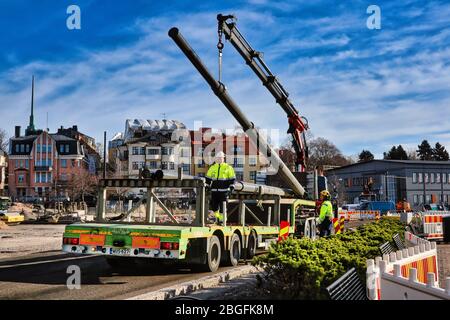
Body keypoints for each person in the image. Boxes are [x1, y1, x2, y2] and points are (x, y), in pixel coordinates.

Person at [205, 151, 236, 224]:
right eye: (218, 158)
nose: (219, 159)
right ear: (215, 159)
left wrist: (231, 187)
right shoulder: (212, 168)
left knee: (223, 207)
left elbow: (232, 179)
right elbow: (208, 179)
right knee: (214, 207)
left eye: (220, 158)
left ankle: (222, 221)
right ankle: (218, 218)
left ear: (223, 158)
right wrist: (207, 186)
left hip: (224, 191)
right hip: (214, 191)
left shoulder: (228, 167)